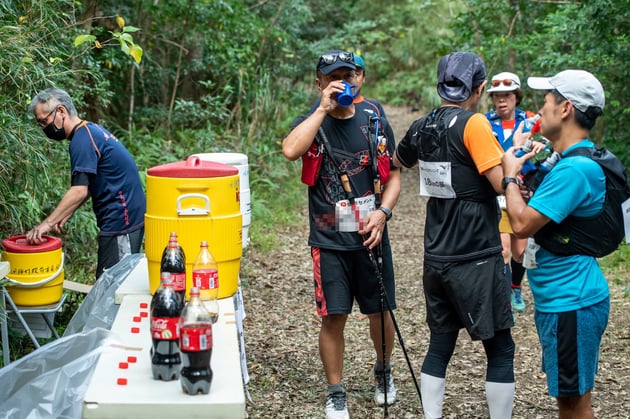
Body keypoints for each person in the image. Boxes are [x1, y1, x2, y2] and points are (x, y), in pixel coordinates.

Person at [393, 52, 515, 418]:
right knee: (500, 348)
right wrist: (512, 169)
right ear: (478, 89)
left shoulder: (421, 126)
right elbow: (499, 185)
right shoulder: (475, 124)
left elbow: (397, 162)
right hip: (476, 255)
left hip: (438, 256)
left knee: (441, 342)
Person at [282, 49, 401, 418]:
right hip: (328, 237)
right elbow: (290, 150)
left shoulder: (374, 118)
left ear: (359, 78)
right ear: (319, 82)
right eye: (333, 77)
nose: (343, 82)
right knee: (333, 316)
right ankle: (336, 391)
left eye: (349, 76)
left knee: (381, 311)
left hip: (371, 231)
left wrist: (383, 213)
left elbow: (394, 173)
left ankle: (383, 371)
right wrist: (322, 109)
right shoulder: (311, 122)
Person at [502, 70, 611, 418]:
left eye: (546, 101)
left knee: (574, 402)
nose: (539, 110)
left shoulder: (574, 170)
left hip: (572, 301)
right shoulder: (569, 161)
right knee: (570, 398)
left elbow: (520, 224)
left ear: (565, 108)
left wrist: (508, 174)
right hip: (565, 300)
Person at [27, 88, 146, 280]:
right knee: (108, 281)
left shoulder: (82, 140)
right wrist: (67, 212)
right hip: (123, 216)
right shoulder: (89, 131)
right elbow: (91, 182)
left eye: (44, 121)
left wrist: (46, 224)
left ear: (61, 111)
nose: (43, 127)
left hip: (122, 219)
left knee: (113, 283)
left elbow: (79, 190)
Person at [485, 71, 538, 312]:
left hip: (524, 191)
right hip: (497, 191)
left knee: (521, 250)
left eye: (507, 95)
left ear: (516, 96)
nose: (502, 100)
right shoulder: (484, 123)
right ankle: (504, 298)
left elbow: (549, 141)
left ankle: (516, 286)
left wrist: (538, 143)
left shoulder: (530, 120)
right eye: (497, 96)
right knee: (504, 249)